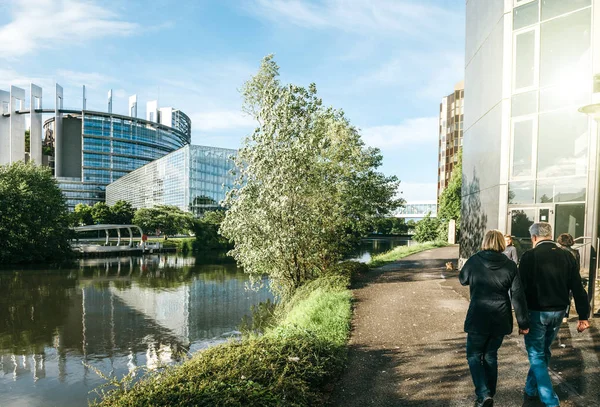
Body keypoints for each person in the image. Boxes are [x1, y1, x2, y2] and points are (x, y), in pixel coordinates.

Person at [518, 223, 590, 407]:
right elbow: (577, 287)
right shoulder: (567, 255)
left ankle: (550, 401)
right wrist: (583, 315)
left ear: (534, 238)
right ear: (551, 235)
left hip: (536, 312)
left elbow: (521, 290)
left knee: (536, 354)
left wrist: (521, 319)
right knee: (544, 351)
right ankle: (530, 390)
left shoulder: (529, 256)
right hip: (558, 312)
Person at [460, 229, 530, 407]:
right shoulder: (510, 265)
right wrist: (523, 322)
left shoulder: (475, 260)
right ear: (502, 243)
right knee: (491, 355)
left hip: (478, 315)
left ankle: (483, 394)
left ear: (485, 241)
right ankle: (489, 393)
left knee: (474, 355)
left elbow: (463, 279)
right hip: (500, 316)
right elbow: (517, 295)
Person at [556, 233, 580, 323]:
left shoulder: (557, 251)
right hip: (571, 277)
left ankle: (559, 313)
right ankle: (565, 315)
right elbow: (577, 267)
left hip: (559, 277)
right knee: (568, 297)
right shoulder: (576, 252)